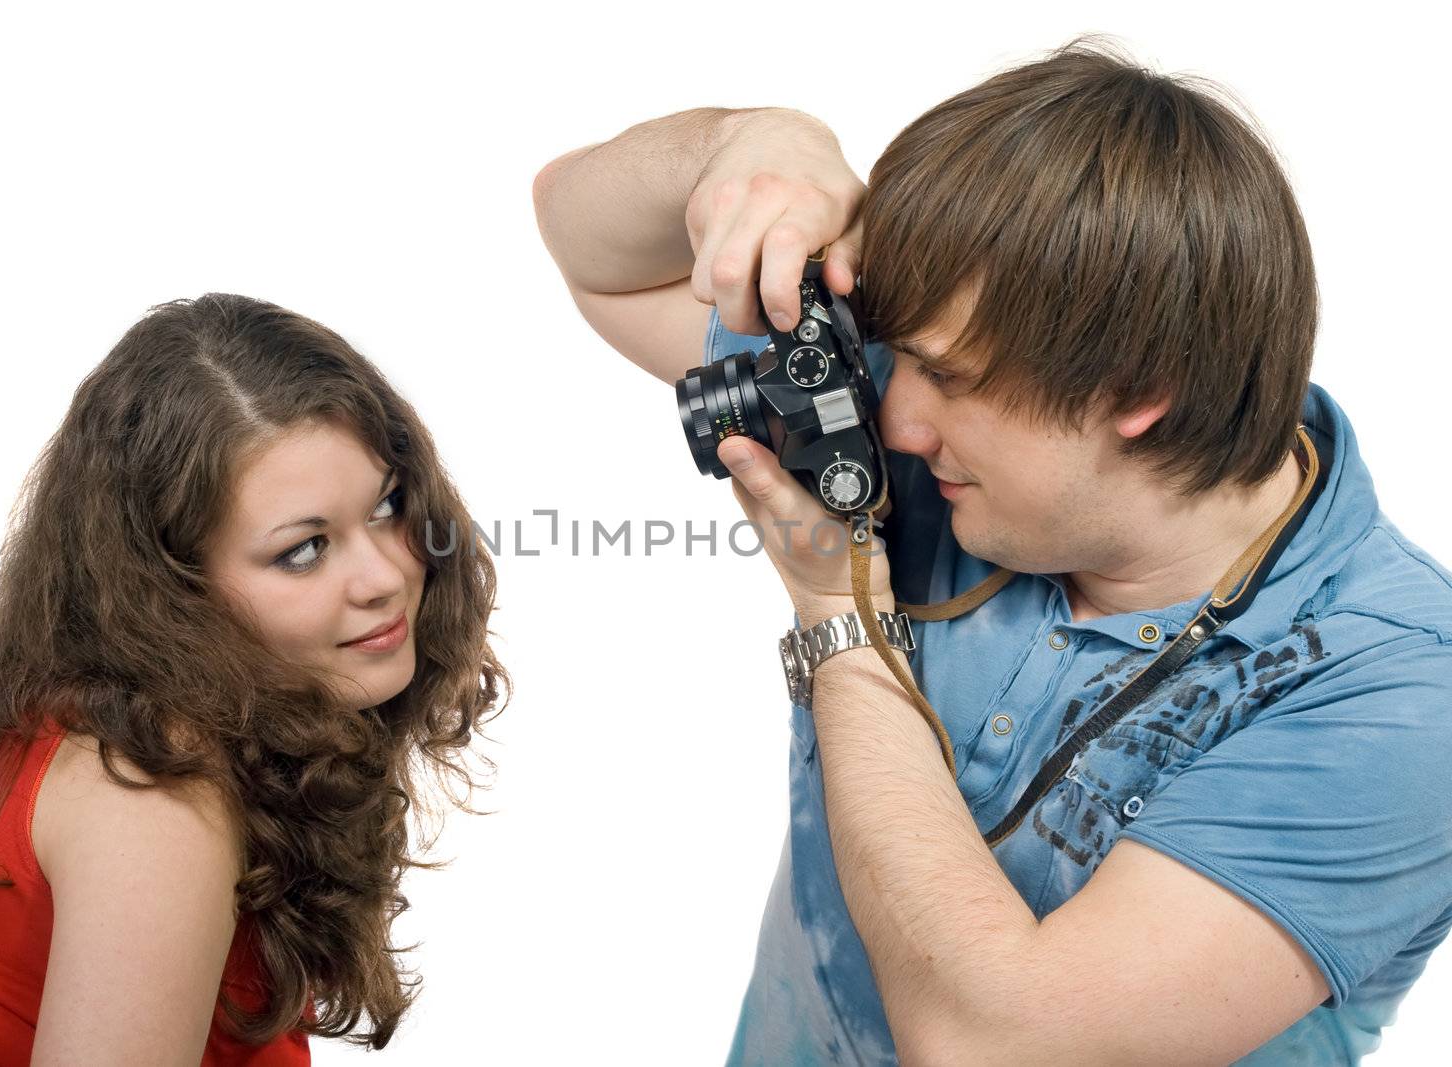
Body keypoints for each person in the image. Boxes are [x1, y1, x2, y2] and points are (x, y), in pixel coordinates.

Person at [533, 39, 1452, 1066]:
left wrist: (842, 616)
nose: (898, 420)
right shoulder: (971, 449)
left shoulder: (1404, 701)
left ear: (1139, 389)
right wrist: (749, 147)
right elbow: (589, 241)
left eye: (947, 375)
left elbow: (993, 1044)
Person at [0, 293, 509, 1064]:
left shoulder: (150, 721)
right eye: (303, 549)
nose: (385, 574)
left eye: (389, 505)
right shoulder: (153, 797)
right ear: (173, 588)